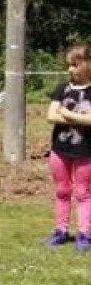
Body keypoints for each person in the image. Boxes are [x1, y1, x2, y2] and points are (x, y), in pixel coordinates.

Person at [45, 43, 91, 250]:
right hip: (60, 150)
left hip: (85, 152)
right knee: (62, 191)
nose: (70, 69)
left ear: (88, 65)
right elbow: (50, 115)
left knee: (83, 193)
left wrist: (67, 114)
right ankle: (60, 231)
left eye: (75, 65)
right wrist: (80, 118)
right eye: (69, 65)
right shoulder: (62, 88)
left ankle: (84, 234)